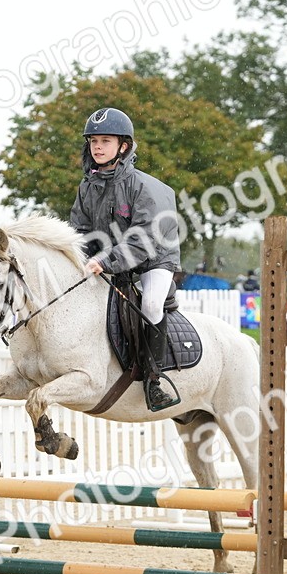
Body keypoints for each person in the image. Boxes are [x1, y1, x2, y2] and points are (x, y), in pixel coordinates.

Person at [69, 107, 182, 412]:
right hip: (114, 258)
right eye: (93, 140)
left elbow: (142, 239)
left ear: (124, 146)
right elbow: (80, 231)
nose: (97, 146)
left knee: (150, 304)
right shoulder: (87, 186)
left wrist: (105, 261)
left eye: (105, 140)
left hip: (154, 258)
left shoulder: (145, 187)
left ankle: (155, 381)